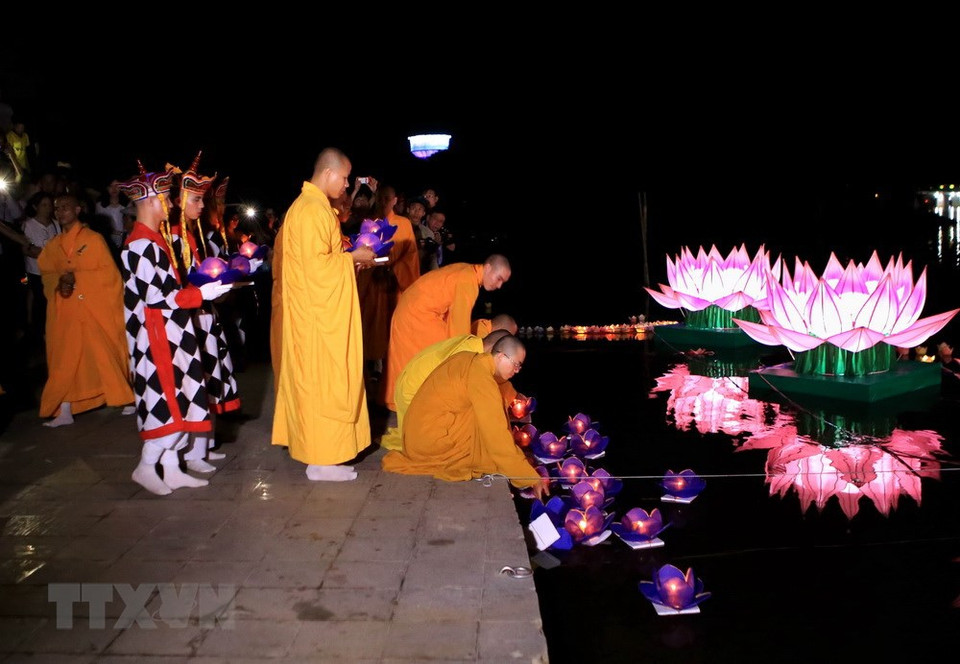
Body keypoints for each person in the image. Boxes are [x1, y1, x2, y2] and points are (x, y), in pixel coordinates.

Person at [119, 167, 231, 495]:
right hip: (154, 337)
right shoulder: (139, 244)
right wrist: (201, 294)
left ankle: (170, 467)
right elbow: (155, 297)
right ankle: (145, 466)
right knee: (165, 400)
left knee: (181, 398)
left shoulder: (155, 241)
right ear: (152, 201)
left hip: (172, 331)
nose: (170, 203)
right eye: (166, 197)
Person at [271, 147, 376, 482]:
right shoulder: (311, 211)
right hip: (316, 319)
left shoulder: (316, 208)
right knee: (323, 384)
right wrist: (352, 257)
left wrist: (350, 258)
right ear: (329, 173)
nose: (346, 186)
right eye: (344, 178)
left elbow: (318, 260)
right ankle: (320, 460)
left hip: (318, 312)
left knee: (326, 383)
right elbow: (317, 269)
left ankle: (325, 456)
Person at [381, 334, 546, 499]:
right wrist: (528, 477)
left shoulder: (472, 359)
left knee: (487, 407)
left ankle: (509, 461)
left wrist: (514, 397)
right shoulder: (481, 377)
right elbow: (496, 434)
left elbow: (499, 386)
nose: (517, 371)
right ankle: (510, 463)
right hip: (429, 444)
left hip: (416, 435)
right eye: (516, 365)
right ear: (501, 356)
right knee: (489, 424)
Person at [169, 154, 247, 473]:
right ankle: (190, 451)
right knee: (193, 382)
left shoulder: (193, 234)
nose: (203, 206)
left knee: (210, 377)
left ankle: (205, 444)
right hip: (188, 317)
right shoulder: (172, 236)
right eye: (197, 199)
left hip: (205, 313)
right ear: (178, 201)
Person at [36, 192, 134, 427]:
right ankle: (66, 409)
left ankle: (125, 397)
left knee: (103, 353)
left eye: (66, 207)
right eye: (57, 208)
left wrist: (77, 278)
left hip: (92, 307)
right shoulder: (53, 245)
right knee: (64, 357)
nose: (60, 212)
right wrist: (60, 283)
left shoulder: (93, 239)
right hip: (67, 308)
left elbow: (109, 275)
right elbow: (47, 274)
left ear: (78, 210)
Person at [382, 254, 512, 414]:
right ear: (489, 267)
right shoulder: (468, 280)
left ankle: (399, 401)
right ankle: (414, 402)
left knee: (417, 358)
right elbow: (459, 327)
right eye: (498, 279)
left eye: (503, 282)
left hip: (412, 307)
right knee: (441, 356)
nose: (499, 286)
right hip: (420, 313)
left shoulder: (467, 272)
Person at [379, 327, 514, 451]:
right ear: (495, 350)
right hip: (414, 395)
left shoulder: (474, 344)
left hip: (410, 384)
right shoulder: (469, 354)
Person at [356, 184, 420, 381]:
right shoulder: (368, 222)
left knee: (391, 328)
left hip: (394, 283)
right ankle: (369, 366)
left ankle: (389, 369)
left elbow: (403, 255)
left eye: (387, 199)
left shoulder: (403, 223)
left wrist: (383, 261)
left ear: (394, 201)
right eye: (380, 198)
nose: (383, 202)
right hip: (372, 283)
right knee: (369, 324)